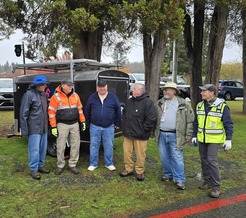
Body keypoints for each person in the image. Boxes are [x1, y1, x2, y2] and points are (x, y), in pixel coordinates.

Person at [192, 84, 233, 198]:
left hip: (214, 140)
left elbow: (228, 124)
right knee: (204, 160)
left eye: (204, 91)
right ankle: (207, 181)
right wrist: (194, 135)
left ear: (212, 93)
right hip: (202, 138)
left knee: (211, 160)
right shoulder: (200, 105)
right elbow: (196, 123)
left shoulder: (222, 107)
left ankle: (216, 187)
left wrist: (228, 139)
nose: (201, 93)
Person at [154, 82, 194, 190]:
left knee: (177, 157)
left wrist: (188, 135)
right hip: (162, 134)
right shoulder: (160, 103)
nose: (165, 91)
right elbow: (155, 119)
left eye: (167, 89)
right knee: (164, 156)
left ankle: (180, 179)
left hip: (176, 135)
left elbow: (190, 120)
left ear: (174, 91)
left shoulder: (183, 103)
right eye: (164, 89)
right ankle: (168, 174)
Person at [119, 83, 156, 181]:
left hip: (141, 135)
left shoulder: (148, 103)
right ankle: (128, 169)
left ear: (140, 91)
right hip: (128, 134)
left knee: (140, 155)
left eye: (134, 89)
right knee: (127, 153)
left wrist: (144, 129)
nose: (132, 90)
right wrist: (124, 126)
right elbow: (125, 114)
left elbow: (151, 118)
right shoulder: (130, 101)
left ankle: (140, 171)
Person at [48, 79, 86, 175]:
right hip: (62, 125)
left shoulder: (76, 96)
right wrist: (53, 127)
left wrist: (83, 121)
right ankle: (60, 165)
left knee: (75, 145)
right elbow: (51, 113)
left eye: (71, 85)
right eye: (68, 85)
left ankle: (72, 164)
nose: (70, 87)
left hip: (74, 124)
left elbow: (80, 110)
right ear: (62, 85)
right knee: (60, 146)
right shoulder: (55, 97)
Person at [84, 79, 121, 171]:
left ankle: (109, 163)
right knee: (94, 145)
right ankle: (93, 164)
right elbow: (87, 111)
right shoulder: (92, 97)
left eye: (103, 86)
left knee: (109, 145)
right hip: (95, 126)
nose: (102, 88)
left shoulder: (113, 97)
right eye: (100, 87)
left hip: (109, 126)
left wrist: (117, 123)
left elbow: (118, 110)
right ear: (97, 88)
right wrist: (88, 123)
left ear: (106, 87)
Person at [20, 75, 50, 180]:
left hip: (44, 127)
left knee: (43, 149)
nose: (45, 86)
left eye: (45, 84)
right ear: (37, 85)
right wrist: (24, 130)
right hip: (34, 128)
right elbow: (23, 114)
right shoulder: (28, 95)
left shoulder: (44, 95)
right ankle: (33, 169)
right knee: (34, 150)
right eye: (43, 84)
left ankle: (40, 166)